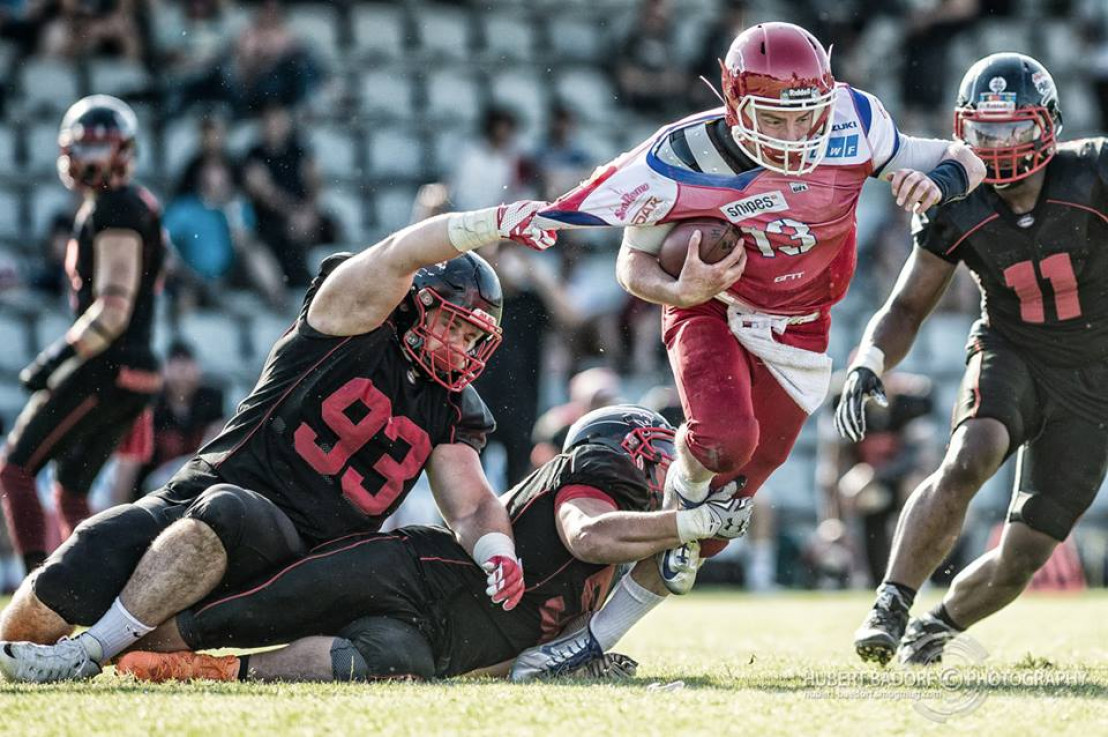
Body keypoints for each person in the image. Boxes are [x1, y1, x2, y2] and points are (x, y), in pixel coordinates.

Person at [513, 21, 985, 677]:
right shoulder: (680, 155)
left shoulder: (856, 121)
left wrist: (939, 183)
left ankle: (589, 641)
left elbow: (966, 157)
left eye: (807, 118)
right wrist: (682, 285)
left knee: (720, 521)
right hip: (713, 304)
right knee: (722, 440)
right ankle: (682, 487)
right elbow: (631, 263)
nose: (795, 136)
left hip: (799, 329)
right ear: (737, 108)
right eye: (775, 120)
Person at [0, 199, 558, 683]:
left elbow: (474, 503)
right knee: (84, 558)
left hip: (298, 559)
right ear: (415, 300)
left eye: (473, 336)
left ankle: (87, 653)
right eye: (454, 324)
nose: (460, 346)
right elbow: (395, 256)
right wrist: (494, 221)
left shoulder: (453, 406)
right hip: (208, 485)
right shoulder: (350, 320)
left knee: (228, 514)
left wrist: (497, 551)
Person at [113, 405, 751, 684]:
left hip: (439, 643)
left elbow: (533, 649)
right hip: (416, 573)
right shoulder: (598, 472)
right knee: (241, 611)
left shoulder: (631, 551)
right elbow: (588, 533)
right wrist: (693, 524)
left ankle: (202, 671)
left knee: (377, 662)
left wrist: (584, 651)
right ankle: (101, 643)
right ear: (629, 446)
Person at [839, 53, 1108, 665]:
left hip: (1096, 379)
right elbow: (907, 306)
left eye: (1014, 128)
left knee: (1023, 555)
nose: (998, 145)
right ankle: (891, 600)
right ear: (962, 131)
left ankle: (934, 628)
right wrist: (869, 359)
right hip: (1012, 349)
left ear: (1049, 128)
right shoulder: (956, 200)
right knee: (970, 453)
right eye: (984, 131)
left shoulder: (1093, 173)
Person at [0, 95, 167, 575]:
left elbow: (112, 310)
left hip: (109, 365)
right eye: (84, 149)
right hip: (134, 369)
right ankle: (101, 595)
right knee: (71, 490)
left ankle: (37, 592)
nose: (88, 161)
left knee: (15, 470)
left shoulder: (114, 209)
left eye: (98, 150)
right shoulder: (132, 203)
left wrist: (54, 360)